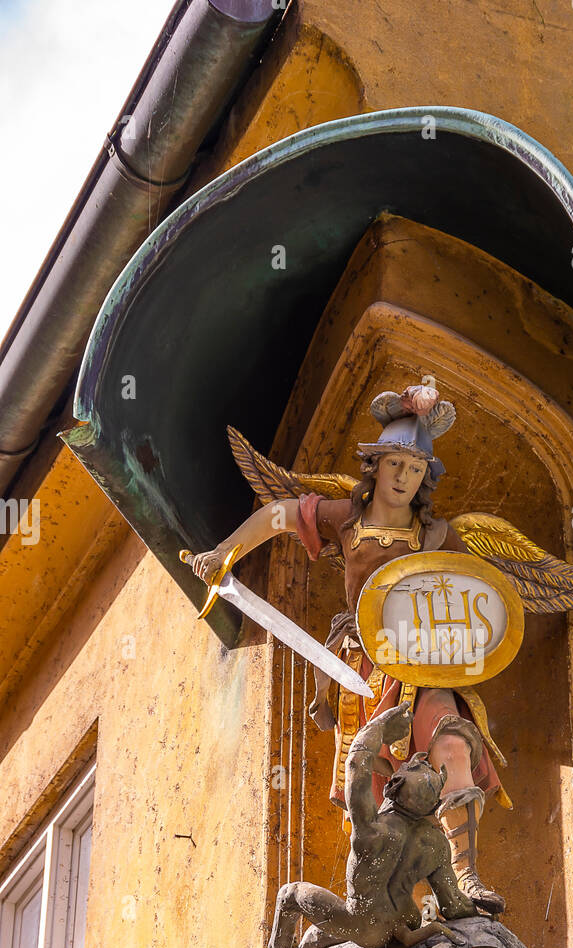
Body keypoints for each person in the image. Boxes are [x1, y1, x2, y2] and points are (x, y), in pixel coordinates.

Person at [190, 382, 509, 915]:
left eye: (415, 469)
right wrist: (224, 553)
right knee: (379, 789)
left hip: (425, 668)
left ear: (425, 477)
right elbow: (281, 515)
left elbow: (481, 598)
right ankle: (391, 904)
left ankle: (466, 876)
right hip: (363, 669)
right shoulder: (347, 519)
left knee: (453, 745)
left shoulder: (438, 535)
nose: (404, 477)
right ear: (376, 466)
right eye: (395, 465)